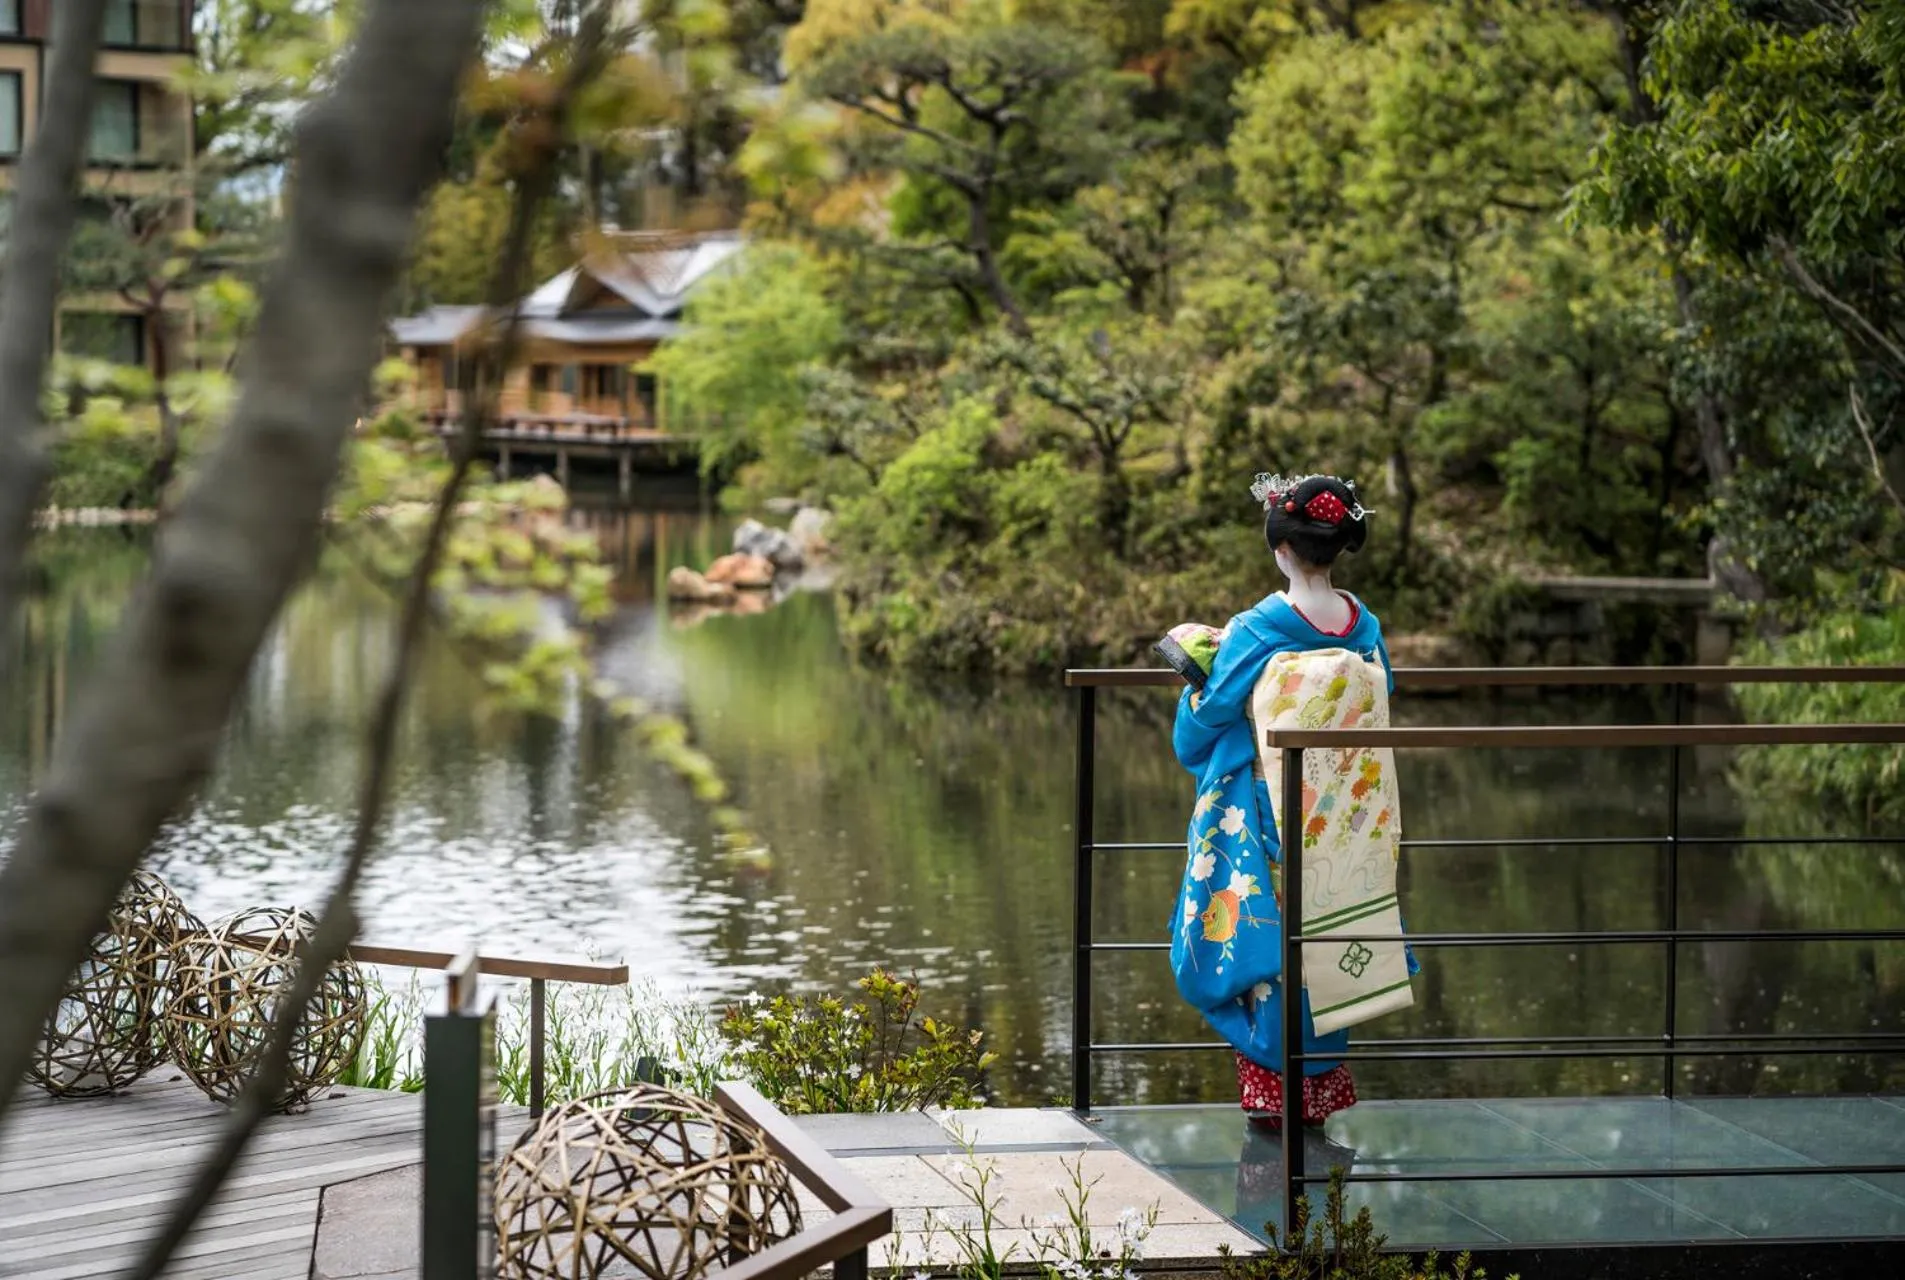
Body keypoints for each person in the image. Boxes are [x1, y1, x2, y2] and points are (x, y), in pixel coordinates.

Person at [1165, 472, 1413, 1129]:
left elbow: (1203, 727)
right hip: (1340, 814)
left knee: (1268, 951)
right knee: (1327, 939)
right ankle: (1315, 1099)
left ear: (1279, 549)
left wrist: (1198, 676)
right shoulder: (1364, 626)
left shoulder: (1258, 626)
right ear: (1336, 549)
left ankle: (1271, 1101)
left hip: (1270, 815)